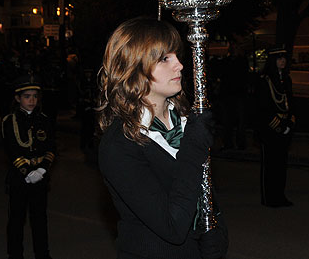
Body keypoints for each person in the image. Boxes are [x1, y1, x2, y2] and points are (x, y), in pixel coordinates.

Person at [97, 17, 228, 259]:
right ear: (134, 68)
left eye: (176, 55)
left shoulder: (184, 118)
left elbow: (199, 191)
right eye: (164, 58)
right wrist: (194, 146)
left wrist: (214, 232)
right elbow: (172, 226)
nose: (179, 65)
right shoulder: (119, 145)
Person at [2, 74, 56, 259]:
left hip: (40, 176)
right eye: (27, 96)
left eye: (34, 96)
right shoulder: (10, 121)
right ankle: (15, 254)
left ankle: (43, 253)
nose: (32, 100)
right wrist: (26, 172)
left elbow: (50, 147)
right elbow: (12, 149)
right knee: (16, 219)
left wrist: (42, 170)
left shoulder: (44, 119)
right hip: (19, 177)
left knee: (39, 218)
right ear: (17, 98)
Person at [256, 45, 295, 207]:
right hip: (270, 129)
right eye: (279, 58)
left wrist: (290, 123)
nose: (283, 61)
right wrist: (278, 125)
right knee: (270, 165)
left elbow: (290, 103)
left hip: (284, 125)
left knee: (281, 164)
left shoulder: (286, 79)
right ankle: (269, 197)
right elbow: (263, 107)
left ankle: (280, 195)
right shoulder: (265, 80)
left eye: (284, 58)